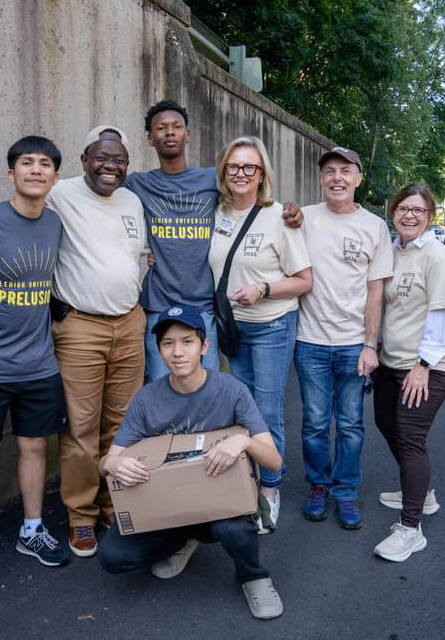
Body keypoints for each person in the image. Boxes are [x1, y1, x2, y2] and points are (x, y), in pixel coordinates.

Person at [98, 305, 284, 620]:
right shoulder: (147, 399)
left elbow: (274, 461)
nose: (178, 352)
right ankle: (184, 539)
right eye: (168, 343)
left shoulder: (231, 390)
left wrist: (244, 441)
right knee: (113, 557)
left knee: (234, 528)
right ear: (159, 350)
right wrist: (111, 465)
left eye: (187, 341)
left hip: (221, 499)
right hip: (169, 505)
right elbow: (109, 459)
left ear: (204, 346)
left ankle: (253, 576)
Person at [0, 136, 69, 588]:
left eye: (45, 165)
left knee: (36, 448)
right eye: (27, 163)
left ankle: (32, 530)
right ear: (11, 173)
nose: (36, 171)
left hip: (40, 364)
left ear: (55, 177)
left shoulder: (55, 224)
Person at [125, 100, 303, 382]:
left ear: (189, 133)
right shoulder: (138, 184)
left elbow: (250, 198)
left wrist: (291, 210)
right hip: (159, 307)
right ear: (150, 138)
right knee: (163, 394)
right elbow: (102, 192)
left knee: (205, 395)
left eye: (177, 127)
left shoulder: (212, 180)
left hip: (205, 307)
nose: (170, 132)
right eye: (161, 128)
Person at [47, 126, 146, 557]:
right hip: (81, 327)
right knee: (81, 427)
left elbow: (137, 255)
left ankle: (113, 504)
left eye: (120, 159)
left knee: (123, 426)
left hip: (129, 324)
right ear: (85, 158)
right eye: (103, 157)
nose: (111, 166)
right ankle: (81, 516)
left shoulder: (132, 201)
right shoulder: (60, 194)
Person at [208, 136, 312, 533]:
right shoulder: (213, 213)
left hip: (271, 325)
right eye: (234, 166)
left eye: (249, 167)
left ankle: (270, 487)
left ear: (262, 174)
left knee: (267, 411)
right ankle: (246, 480)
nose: (240, 173)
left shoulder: (279, 218)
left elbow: (304, 281)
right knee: (242, 410)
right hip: (231, 328)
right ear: (223, 171)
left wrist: (263, 289)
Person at [294, 146, 393, 529]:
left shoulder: (374, 227)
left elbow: (375, 291)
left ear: (357, 178)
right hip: (311, 341)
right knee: (316, 422)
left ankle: (345, 491)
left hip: (353, 343)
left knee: (351, 423)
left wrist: (371, 344)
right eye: (330, 171)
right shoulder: (302, 219)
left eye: (345, 171)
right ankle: (318, 485)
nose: (337, 177)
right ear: (321, 178)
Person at [372, 183, 445, 562]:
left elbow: (441, 320)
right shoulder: (392, 250)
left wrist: (423, 366)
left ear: (430, 217)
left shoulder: (437, 258)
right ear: (394, 211)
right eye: (403, 208)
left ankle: (411, 528)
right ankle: (421, 492)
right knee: (385, 423)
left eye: (418, 210)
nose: (409, 215)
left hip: (428, 366)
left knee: (410, 436)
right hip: (390, 361)